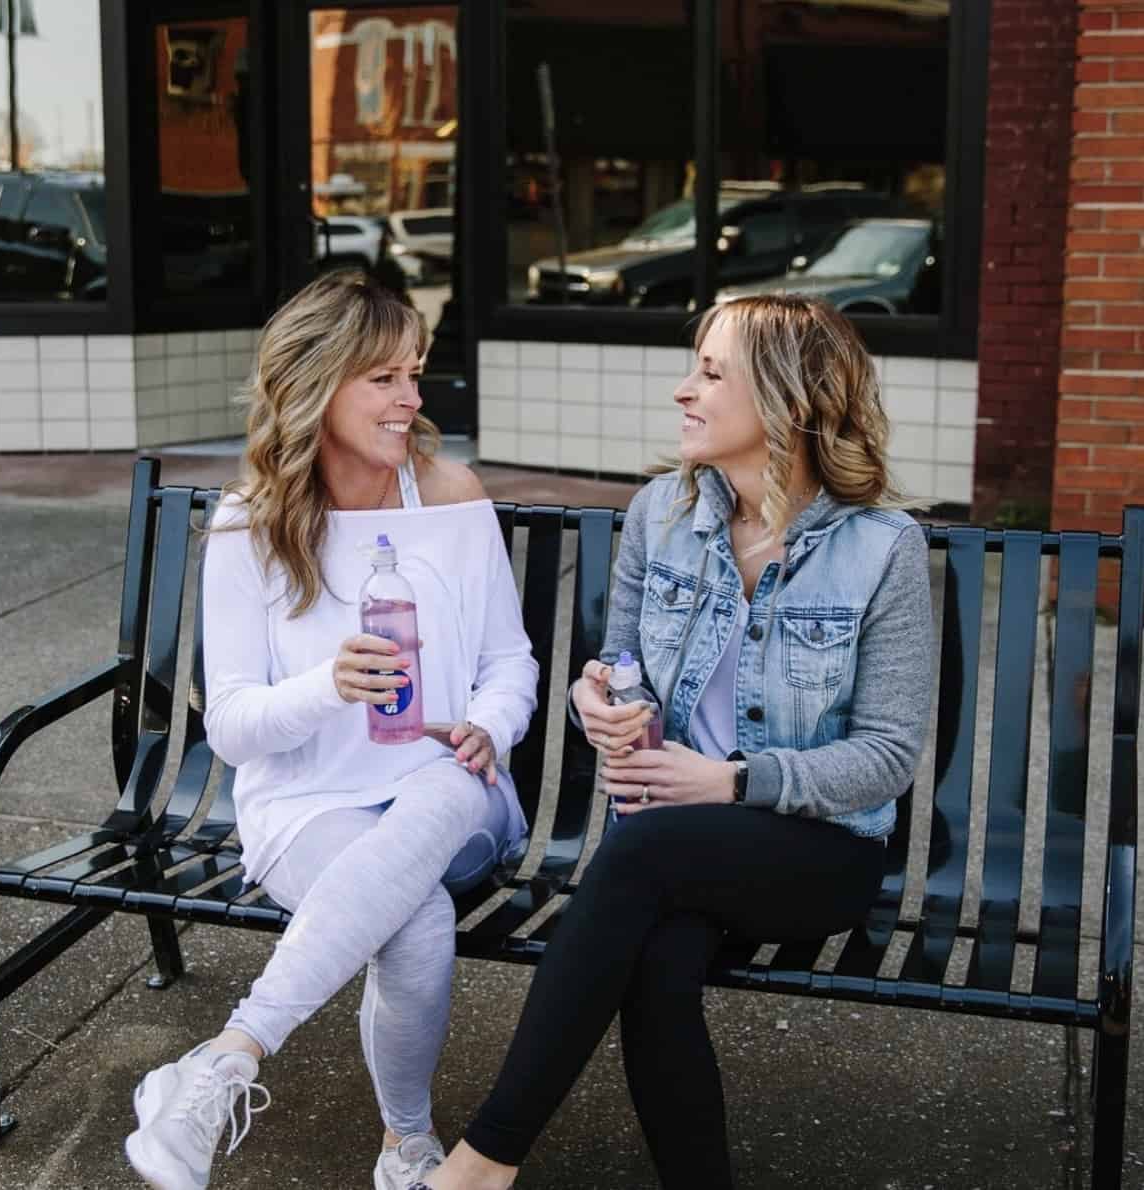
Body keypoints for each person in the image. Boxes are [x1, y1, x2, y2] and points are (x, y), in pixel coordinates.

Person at [420, 294, 935, 1190]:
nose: (681, 390)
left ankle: (485, 1160)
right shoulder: (663, 511)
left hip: (813, 850)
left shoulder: (882, 549)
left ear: (791, 399)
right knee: (657, 960)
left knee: (645, 856)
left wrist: (732, 782)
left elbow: (887, 757)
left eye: (709, 372)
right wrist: (601, 697)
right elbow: (622, 662)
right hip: (668, 841)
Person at [123, 271, 538, 1190]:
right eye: (384, 378)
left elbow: (514, 662)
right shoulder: (251, 527)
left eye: (415, 374)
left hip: (459, 792)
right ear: (317, 382)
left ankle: (229, 1055)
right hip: (310, 805)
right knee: (414, 917)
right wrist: (327, 686)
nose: (411, 400)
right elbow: (229, 727)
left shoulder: (448, 494)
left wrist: (487, 724)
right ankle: (406, 1145)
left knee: (436, 788)